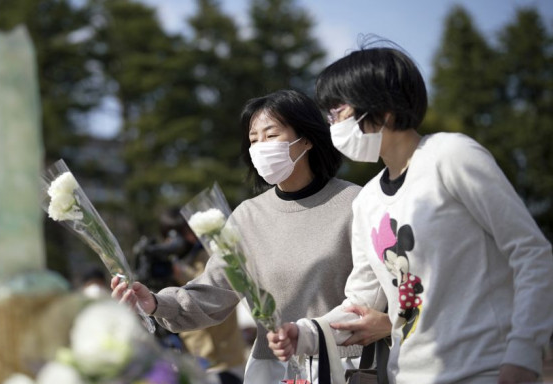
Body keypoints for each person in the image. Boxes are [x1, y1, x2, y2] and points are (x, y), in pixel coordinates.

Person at [267, 44, 553, 384]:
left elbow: (532, 254)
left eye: (339, 111)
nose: (333, 125)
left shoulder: (451, 155)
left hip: (485, 369)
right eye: (328, 115)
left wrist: (523, 355)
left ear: (384, 108)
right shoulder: (367, 200)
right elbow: (361, 299)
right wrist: (305, 334)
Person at [112, 89, 363, 383]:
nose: (260, 147)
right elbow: (213, 293)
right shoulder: (248, 216)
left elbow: (372, 297)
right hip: (274, 370)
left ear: (306, 138)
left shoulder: (355, 203)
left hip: (344, 366)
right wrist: (154, 303)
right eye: (253, 140)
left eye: (271, 135)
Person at [156, 207, 248, 384]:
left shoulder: (207, 254)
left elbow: (209, 289)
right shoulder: (167, 263)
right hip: (196, 357)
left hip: (226, 355)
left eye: (185, 232)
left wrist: (179, 272)